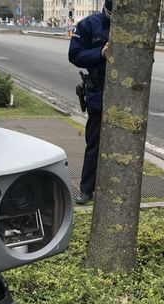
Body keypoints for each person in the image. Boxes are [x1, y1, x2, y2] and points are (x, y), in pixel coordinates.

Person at [68, 0, 111, 204]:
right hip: (99, 92)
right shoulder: (90, 24)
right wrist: (100, 53)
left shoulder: (133, 25)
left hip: (126, 94)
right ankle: (87, 189)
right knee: (94, 142)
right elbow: (75, 55)